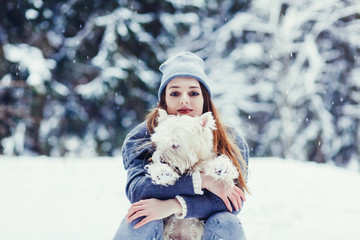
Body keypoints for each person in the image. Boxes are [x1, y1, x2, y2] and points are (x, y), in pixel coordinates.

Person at [113, 52, 250, 240]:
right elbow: (139, 190)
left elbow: (232, 203)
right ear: (164, 100)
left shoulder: (229, 139)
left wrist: (174, 205)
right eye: (175, 93)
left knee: (227, 222)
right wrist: (201, 181)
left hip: (203, 232)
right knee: (141, 217)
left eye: (193, 93)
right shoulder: (143, 136)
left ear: (205, 99)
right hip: (161, 231)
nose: (184, 100)